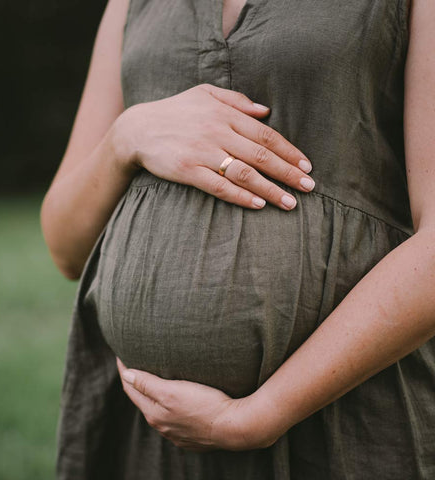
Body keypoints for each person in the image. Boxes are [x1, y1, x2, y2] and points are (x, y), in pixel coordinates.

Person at [41, 0, 435, 478]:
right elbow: (65, 248)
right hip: (149, 432)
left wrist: (257, 416)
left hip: (348, 417)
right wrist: (127, 136)